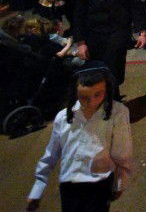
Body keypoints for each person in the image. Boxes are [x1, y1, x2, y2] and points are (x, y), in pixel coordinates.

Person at [26, 64, 133, 212]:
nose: (92, 102)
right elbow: (51, 154)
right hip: (69, 185)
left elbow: (122, 153)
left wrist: (120, 182)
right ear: (74, 92)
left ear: (107, 89)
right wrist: (38, 187)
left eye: (98, 94)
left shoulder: (117, 113)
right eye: (84, 97)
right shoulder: (63, 117)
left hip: (99, 184)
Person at [72, 0, 146, 90]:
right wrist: (80, 42)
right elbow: (79, 12)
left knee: (112, 71)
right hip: (93, 34)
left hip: (117, 33)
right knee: (96, 72)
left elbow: (136, 6)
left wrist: (142, 32)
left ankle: (113, 100)